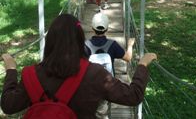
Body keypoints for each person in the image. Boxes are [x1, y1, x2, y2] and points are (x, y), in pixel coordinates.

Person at [1, 13, 157, 119]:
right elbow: (133, 95)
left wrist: (11, 70)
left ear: (50, 41)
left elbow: (8, 106)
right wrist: (142, 64)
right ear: (80, 39)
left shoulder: (31, 74)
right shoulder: (96, 74)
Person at [85, 13, 135, 119]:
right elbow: (128, 58)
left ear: (92, 28)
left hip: (89, 85)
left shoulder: (85, 45)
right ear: (107, 28)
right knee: (103, 111)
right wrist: (130, 45)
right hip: (107, 85)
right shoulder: (112, 45)